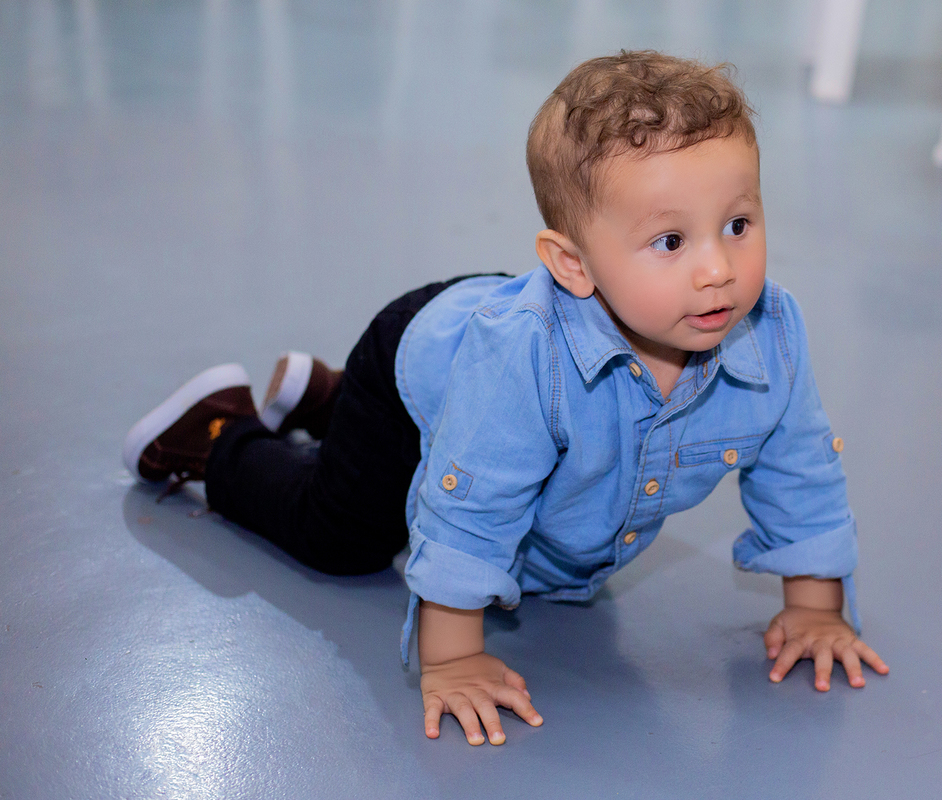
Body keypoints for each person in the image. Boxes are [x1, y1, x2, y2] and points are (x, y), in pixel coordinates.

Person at [122, 50, 889, 747]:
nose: (718, 269)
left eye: (738, 224)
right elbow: (475, 501)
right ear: (573, 265)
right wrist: (453, 658)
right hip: (413, 366)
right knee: (343, 542)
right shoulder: (525, 364)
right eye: (671, 242)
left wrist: (814, 608)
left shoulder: (770, 334)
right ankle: (219, 432)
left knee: (446, 451)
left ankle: (324, 401)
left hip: (477, 368)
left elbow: (799, 467)